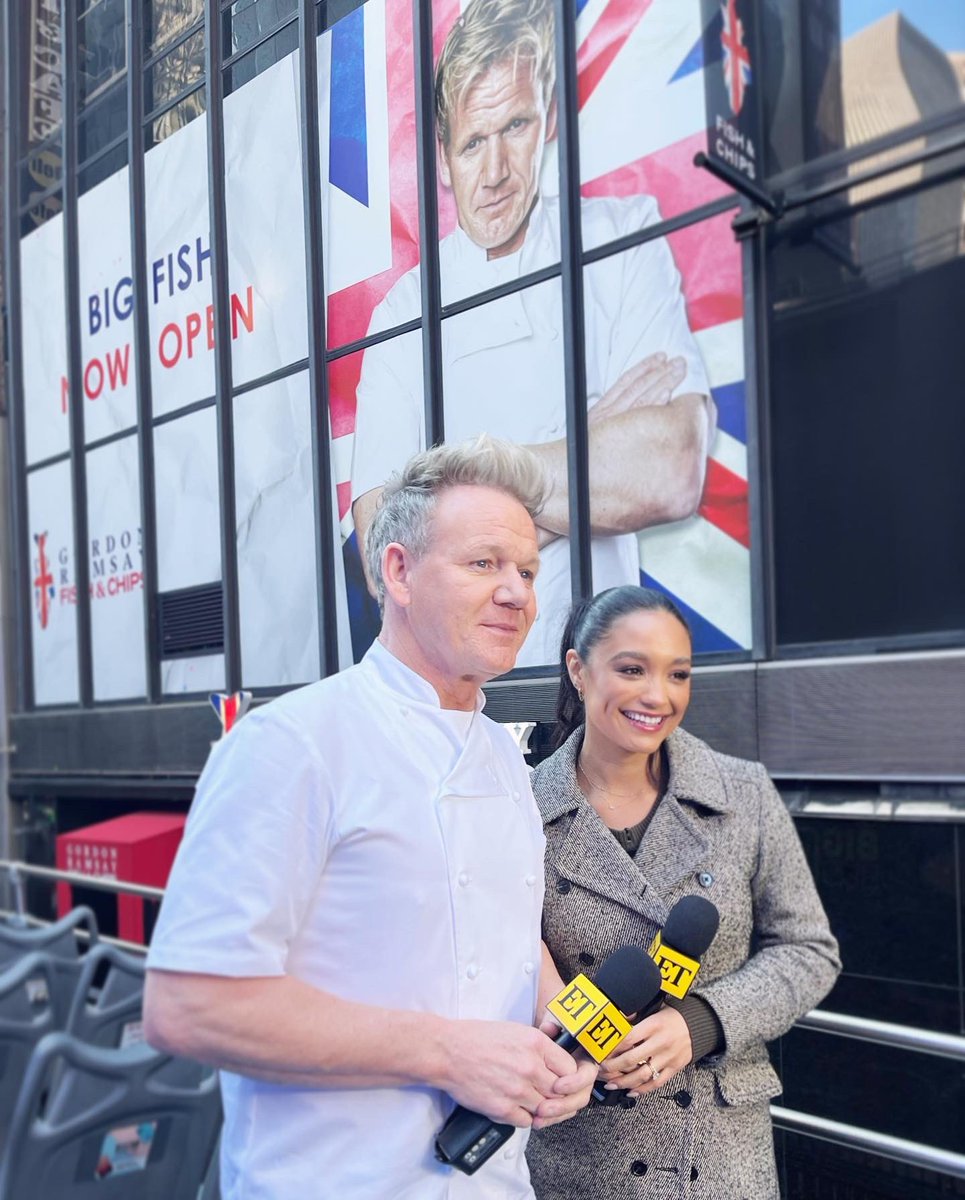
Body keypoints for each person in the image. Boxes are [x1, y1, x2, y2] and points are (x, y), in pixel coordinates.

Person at [143, 436, 598, 1199]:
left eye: (526, 570)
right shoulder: (293, 744)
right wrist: (448, 1052)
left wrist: (570, 1040)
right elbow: (188, 1005)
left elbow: (508, 939)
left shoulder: (501, 754)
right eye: (483, 563)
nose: (518, 593)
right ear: (398, 572)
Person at [351, 0, 716, 667]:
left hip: (599, 685)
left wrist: (459, 518)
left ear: (547, 119)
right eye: (471, 142)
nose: (493, 173)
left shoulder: (619, 236)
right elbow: (386, 557)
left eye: (513, 127)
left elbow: (671, 469)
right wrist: (590, 440)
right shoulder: (403, 316)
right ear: (441, 157)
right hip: (458, 699)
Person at [526, 586, 841, 1198]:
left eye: (678, 674)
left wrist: (701, 1023)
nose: (657, 696)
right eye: (632, 669)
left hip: (722, 1157)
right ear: (578, 671)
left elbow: (808, 950)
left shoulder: (741, 793)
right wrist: (567, 1032)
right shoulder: (520, 810)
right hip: (582, 1157)